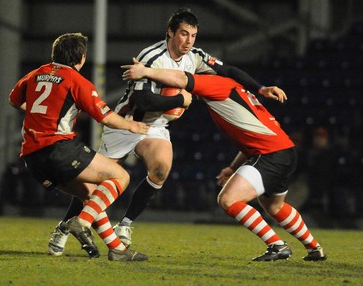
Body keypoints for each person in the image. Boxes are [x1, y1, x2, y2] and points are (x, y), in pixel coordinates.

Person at [48, 7, 270, 255]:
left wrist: (260, 88)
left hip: (156, 127)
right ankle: (63, 229)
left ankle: (125, 225)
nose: (188, 41)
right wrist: (181, 101)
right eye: (184, 34)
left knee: (161, 169)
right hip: (127, 123)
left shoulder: (195, 57)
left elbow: (227, 70)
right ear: (170, 32)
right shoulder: (152, 56)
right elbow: (143, 101)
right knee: (90, 184)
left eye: (193, 35)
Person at [121, 59, 327, 262]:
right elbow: (252, 138)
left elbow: (182, 79)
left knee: (228, 200)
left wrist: (146, 71)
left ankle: (277, 245)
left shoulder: (217, 83)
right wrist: (232, 168)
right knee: (275, 206)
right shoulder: (236, 91)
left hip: (270, 154)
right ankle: (314, 248)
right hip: (284, 151)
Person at [8, 32, 149, 261]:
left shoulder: (35, 75)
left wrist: (39, 113)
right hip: (58, 149)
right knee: (120, 177)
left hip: (33, 159)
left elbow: (14, 100)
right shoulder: (75, 80)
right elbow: (104, 116)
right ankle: (80, 222)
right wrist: (131, 126)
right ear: (81, 57)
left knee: (91, 195)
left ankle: (117, 250)